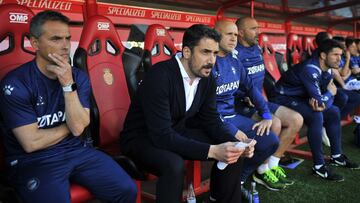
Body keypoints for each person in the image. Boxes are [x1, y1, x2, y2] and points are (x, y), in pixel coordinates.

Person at [0, 10, 137, 203]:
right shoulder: (16, 83)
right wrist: (70, 127)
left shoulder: (77, 77)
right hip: (33, 160)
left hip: (76, 151)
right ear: (35, 43)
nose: (65, 46)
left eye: (67, 38)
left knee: (126, 189)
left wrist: (67, 85)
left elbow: (80, 127)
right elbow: (31, 143)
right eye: (56, 39)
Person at [120, 24, 255, 203]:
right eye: (205, 52)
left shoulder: (207, 78)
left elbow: (211, 120)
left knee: (231, 148)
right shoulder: (160, 76)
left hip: (175, 131)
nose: (211, 60)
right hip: (142, 139)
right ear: (187, 52)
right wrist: (212, 151)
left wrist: (237, 143)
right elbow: (161, 136)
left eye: (215, 53)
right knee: (173, 164)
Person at [213, 20, 287, 191]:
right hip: (213, 120)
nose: (233, 38)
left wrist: (266, 114)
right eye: (228, 34)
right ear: (216, 35)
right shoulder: (209, 62)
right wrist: (233, 131)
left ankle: (240, 179)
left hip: (231, 116)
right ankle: (220, 191)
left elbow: (252, 89)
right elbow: (205, 109)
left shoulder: (234, 61)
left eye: (234, 34)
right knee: (238, 145)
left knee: (270, 141)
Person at [271, 39, 360, 182]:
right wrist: (328, 96)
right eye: (335, 55)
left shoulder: (329, 69)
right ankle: (319, 166)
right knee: (316, 115)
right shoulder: (310, 69)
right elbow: (326, 96)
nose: (339, 59)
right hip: (282, 98)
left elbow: (327, 98)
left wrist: (326, 98)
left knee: (334, 111)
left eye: (341, 55)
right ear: (323, 55)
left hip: (302, 98)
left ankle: (337, 156)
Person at [235, 17, 303, 186]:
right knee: (274, 123)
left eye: (258, 28)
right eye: (253, 29)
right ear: (241, 33)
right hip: (242, 104)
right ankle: (261, 171)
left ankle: (272, 164)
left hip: (260, 101)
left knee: (296, 119)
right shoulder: (234, 53)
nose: (258, 32)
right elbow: (228, 84)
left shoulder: (256, 48)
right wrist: (245, 96)